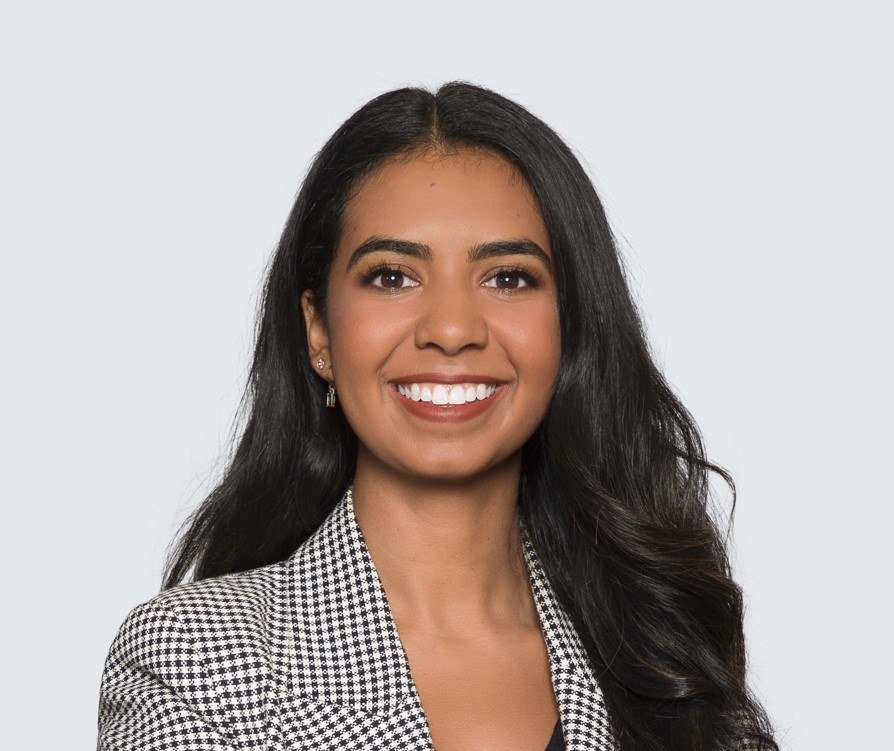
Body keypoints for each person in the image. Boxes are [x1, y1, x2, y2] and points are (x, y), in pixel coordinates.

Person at [96, 81, 778, 751]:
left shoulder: (665, 659)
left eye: (508, 277)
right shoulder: (194, 661)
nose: (452, 329)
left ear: (569, 327)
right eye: (392, 276)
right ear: (319, 331)